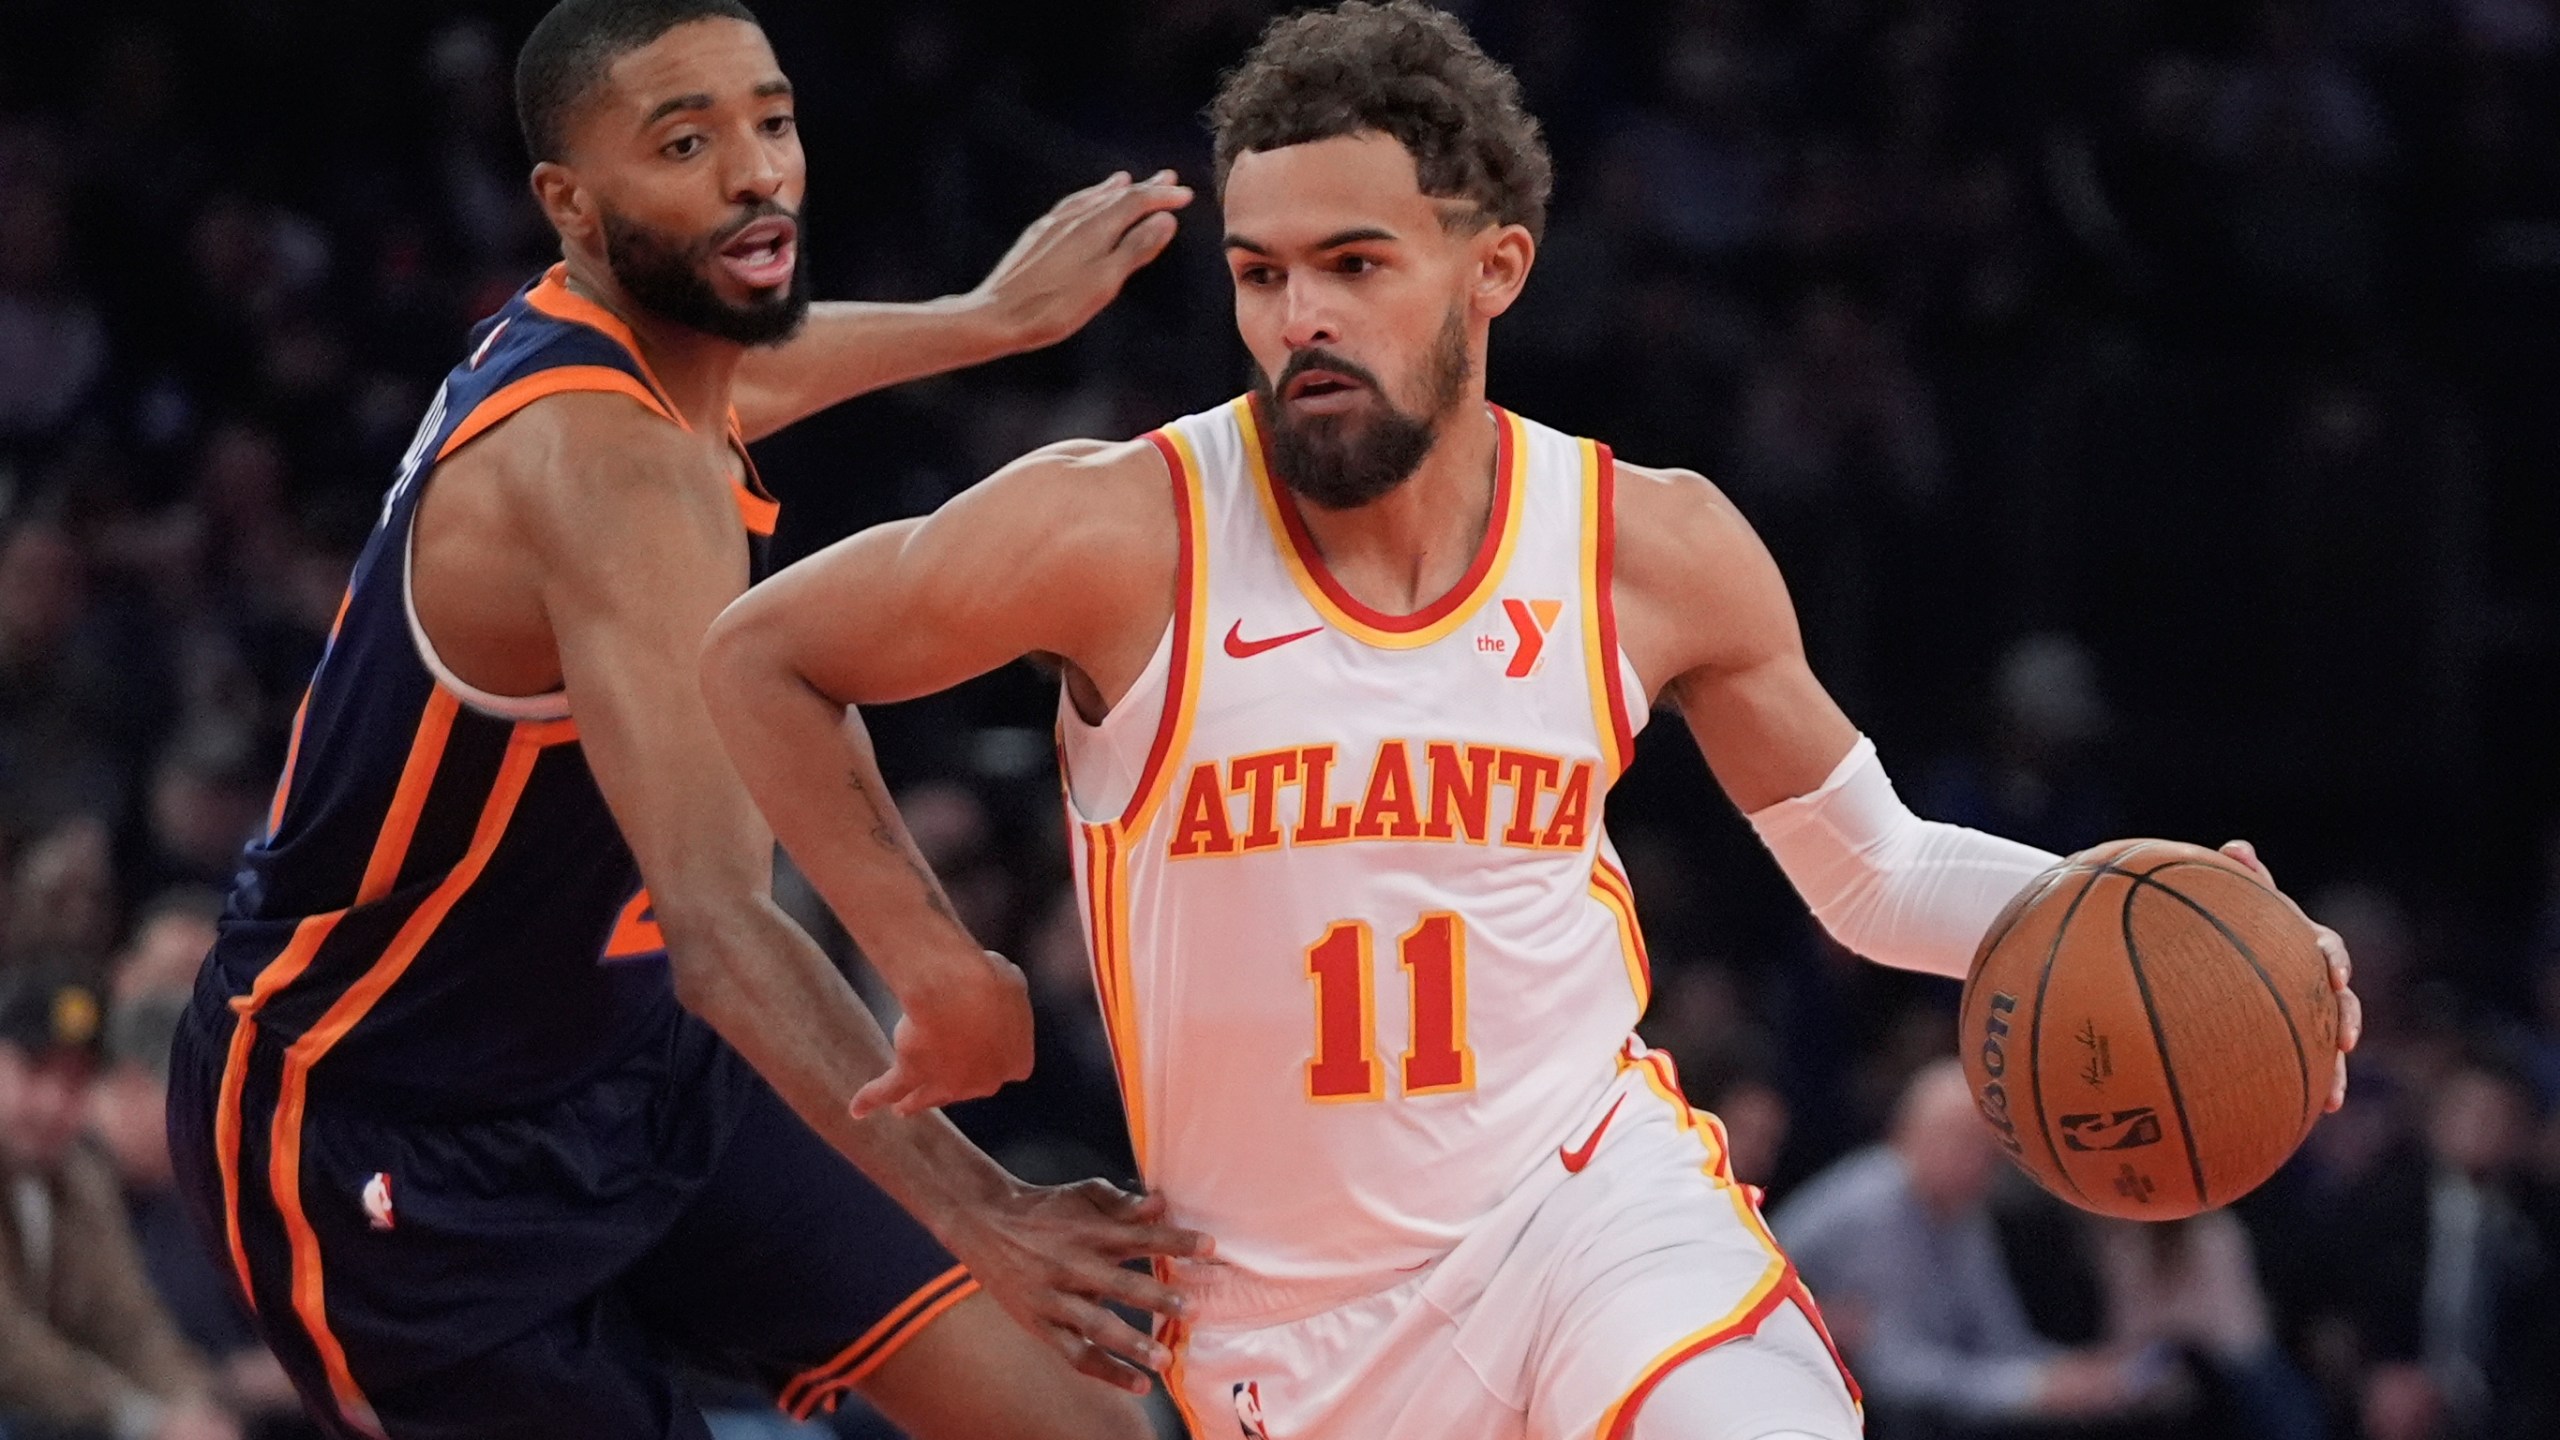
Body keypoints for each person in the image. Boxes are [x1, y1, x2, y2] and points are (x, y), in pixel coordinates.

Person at [698, 5, 2361, 1438]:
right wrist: (930, 964)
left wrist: (2186, 927)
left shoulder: (1649, 545)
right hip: (1290, 1325)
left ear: (1495, 263)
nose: (1302, 322)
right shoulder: (1116, 532)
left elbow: (1872, 870)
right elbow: (762, 655)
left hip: (1589, 1212)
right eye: (1263, 274)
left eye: (1357, 264)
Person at [164, 2, 1207, 1437]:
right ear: (571, 205)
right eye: (685, 142)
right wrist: (987, 1207)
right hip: (387, 1145)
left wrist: (990, 319)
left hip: (636, 1066)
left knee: (1083, 1419)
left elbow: (746, 375)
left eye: (770, 121)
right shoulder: (611, 478)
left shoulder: (622, 346)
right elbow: (723, 937)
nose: (756, 172)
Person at [1774, 1061, 2172, 1436]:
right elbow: (1896, 1371)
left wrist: (2074, 1373)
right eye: (1966, 1144)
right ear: (1911, 1136)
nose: (1984, 1165)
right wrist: (2033, 1390)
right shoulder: (1877, 1206)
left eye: (1992, 1150)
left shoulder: (1960, 1212)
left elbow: (1999, 1337)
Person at [1, 975, 237, 1440]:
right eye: (34, 1070)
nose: (53, 1103)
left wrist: (192, 1405)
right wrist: (142, 1417)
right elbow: (8, 1346)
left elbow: (129, 1318)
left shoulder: (79, 1177)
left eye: (74, 1081)